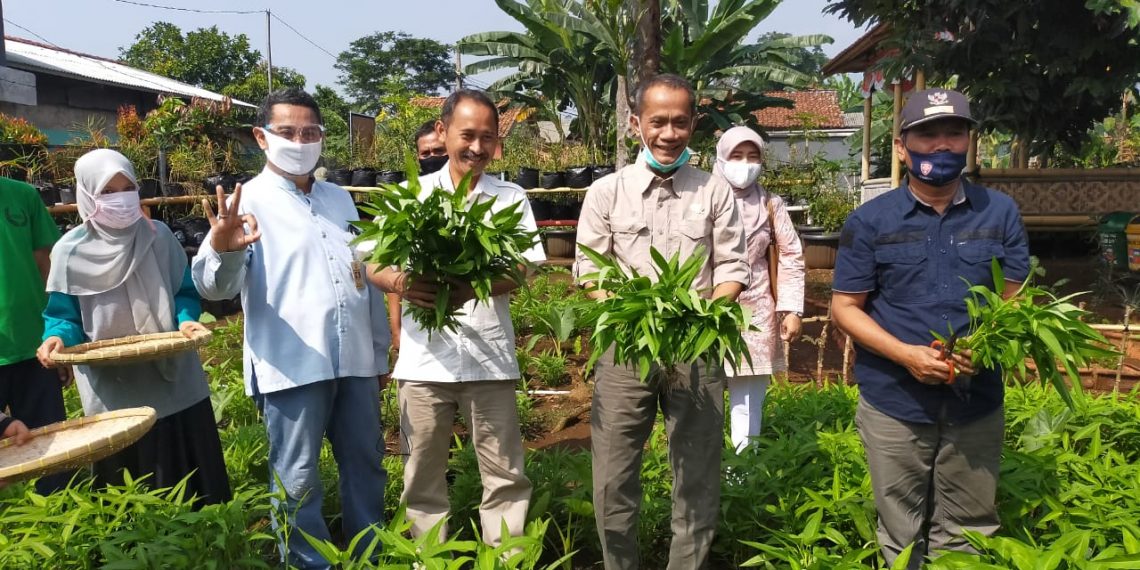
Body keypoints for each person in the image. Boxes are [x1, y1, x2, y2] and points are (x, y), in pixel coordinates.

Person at [191, 88, 391, 569]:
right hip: (292, 364)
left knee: (365, 466)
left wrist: (380, 350)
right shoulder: (246, 203)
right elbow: (213, 288)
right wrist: (225, 248)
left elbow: (367, 277)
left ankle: (372, 554)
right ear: (261, 137)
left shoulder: (339, 199)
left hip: (356, 359)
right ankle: (307, 562)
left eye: (310, 132)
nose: (300, 141)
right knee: (298, 478)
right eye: (287, 132)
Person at [830, 89, 1030, 568]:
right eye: (927, 134)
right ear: (902, 147)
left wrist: (984, 349)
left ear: (968, 142)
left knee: (969, 529)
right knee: (900, 531)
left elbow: (1017, 298)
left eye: (953, 133)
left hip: (976, 402)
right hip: (895, 403)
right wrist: (906, 355)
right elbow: (845, 307)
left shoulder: (999, 213)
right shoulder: (870, 221)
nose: (941, 145)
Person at [574, 73, 749, 569]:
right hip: (627, 346)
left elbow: (733, 266)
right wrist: (629, 309)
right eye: (657, 122)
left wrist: (710, 311)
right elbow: (589, 267)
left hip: (697, 345)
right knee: (612, 474)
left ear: (693, 124)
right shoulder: (607, 192)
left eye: (679, 122)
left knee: (696, 472)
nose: (668, 133)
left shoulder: (715, 192)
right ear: (636, 124)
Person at [369, 89, 543, 545]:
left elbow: (522, 267)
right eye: (468, 135)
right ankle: (432, 556)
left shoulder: (510, 198)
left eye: (488, 137)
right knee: (422, 472)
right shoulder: (411, 196)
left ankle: (504, 556)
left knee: (504, 472)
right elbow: (371, 263)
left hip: (489, 358)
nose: (477, 147)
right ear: (443, 133)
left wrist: (468, 286)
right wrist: (402, 283)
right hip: (425, 363)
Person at [35, 149, 230, 505]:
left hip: (177, 384)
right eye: (108, 191)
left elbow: (183, 293)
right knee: (132, 499)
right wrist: (56, 339)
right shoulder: (70, 252)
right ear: (87, 194)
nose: (121, 199)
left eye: (128, 187)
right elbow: (64, 317)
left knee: (196, 492)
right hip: (115, 393)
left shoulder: (160, 237)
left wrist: (186, 321)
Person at [712, 126, 805, 452]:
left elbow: (791, 255)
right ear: (721, 157)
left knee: (748, 395)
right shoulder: (699, 197)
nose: (745, 163)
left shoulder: (770, 203)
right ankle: (700, 466)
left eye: (753, 157)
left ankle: (742, 469)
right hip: (703, 307)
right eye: (737, 156)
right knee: (696, 387)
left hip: (755, 310)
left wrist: (791, 309)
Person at [0, 175, 69, 494]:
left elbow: (47, 266)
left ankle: (60, 522)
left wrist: (54, 334)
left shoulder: (22, 196)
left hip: (34, 346)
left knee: (53, 453)